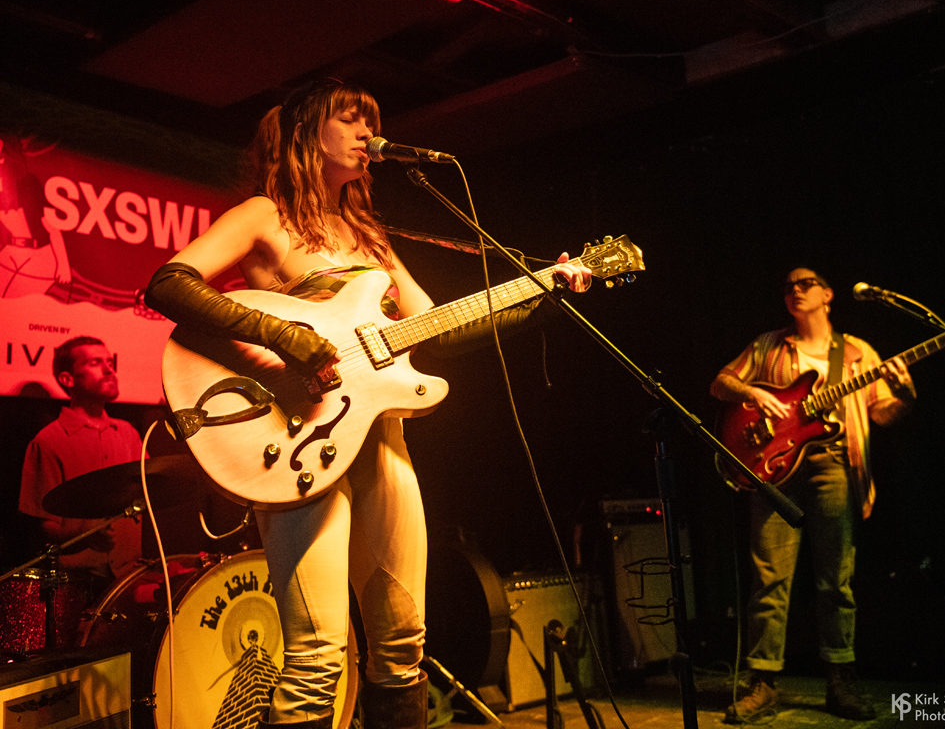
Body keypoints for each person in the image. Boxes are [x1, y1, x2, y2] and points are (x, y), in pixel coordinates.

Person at [143, 79, 591, 729]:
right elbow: (169, 283)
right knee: (317, 657)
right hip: (296, 442)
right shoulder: (264, 215)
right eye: (350, 118)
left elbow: (439, 329)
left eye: (371, 120)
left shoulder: (369, 235)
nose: (366, 132)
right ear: (306, 131)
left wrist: (543, 295)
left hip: (381, 441)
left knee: (403, 645)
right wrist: (283, 335)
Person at [709, 268, 916, 722]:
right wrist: (751, 392)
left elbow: (882, 413)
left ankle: (840, 680)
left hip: (835, 467)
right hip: (774, 470)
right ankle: (762, 682)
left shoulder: (858, 352)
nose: (795, 290)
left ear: (827, 294)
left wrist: (904, 397)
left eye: (805, 283)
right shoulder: (767, 346)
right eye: (788, 286)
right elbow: (720, 383)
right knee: (769, 578)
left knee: (836, 580)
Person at [19, 337, 143, 584]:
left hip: (129, 577)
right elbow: (43, 527)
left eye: (110, 363)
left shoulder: (128, 433)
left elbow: (149, 494)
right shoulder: (49, 441)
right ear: (67, 379)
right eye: (95, 363)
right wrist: (84, 535)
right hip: (76, 581)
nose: (109, 370)